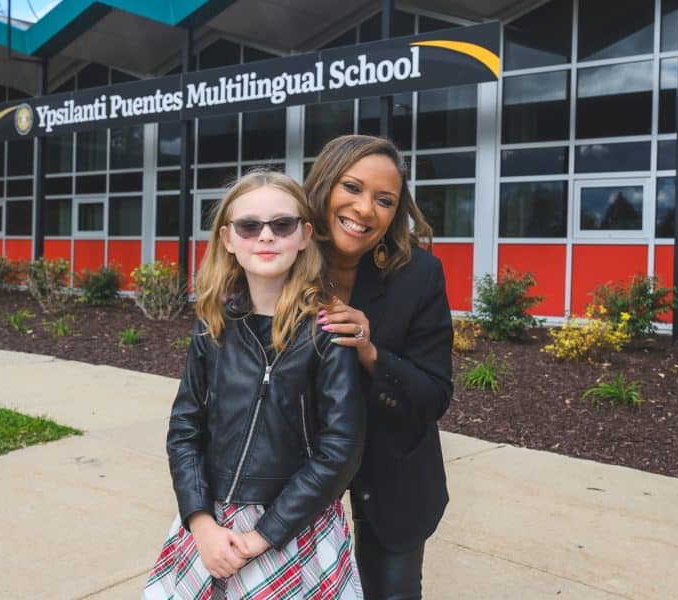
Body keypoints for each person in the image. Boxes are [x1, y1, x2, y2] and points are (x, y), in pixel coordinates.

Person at [142, 170, 366, 599]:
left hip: (293, 525)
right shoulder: (212, 326)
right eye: (249, 225)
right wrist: (201, 522)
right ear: (228, 238)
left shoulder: (326, 329)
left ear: (303, 235)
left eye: (281, 225)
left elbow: (340, 449)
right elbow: (185, 430)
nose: (265, 236)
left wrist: (262, 536)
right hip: (214, 524)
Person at [303, 135, 454, 600]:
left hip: (395, 476)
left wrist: (370, 353)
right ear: (324, 187)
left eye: (384, 200)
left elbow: (433, 395)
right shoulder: (285, 261)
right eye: (352, 187)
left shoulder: (420, 275)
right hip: (297, 471)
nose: (365, 209)